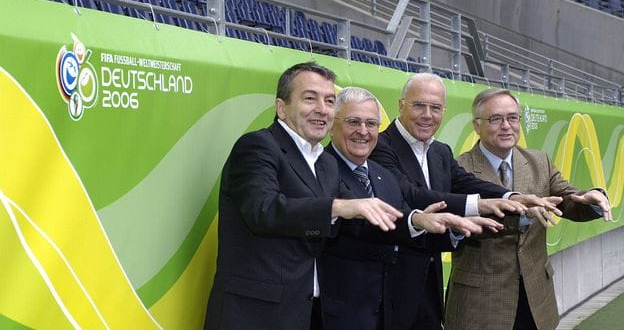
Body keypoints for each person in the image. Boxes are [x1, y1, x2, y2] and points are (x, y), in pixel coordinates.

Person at [204, 62, 405, 330]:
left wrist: (417, 221)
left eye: (329, 100)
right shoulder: (257, 146)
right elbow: (263, 211)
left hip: (307, 313)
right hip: (255, 315)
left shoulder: (325, 162)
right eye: (310, 98)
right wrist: (336, 208)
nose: (322, 109)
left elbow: (359, 217)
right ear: (281, 107)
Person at [369, 73, 554, 329]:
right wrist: (480, 205)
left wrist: (510, 197)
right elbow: (412, 194)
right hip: (391, 291)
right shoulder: (380, 146)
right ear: (401, 105)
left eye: (435, 108)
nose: (427, 115)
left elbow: (467, 183)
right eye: (419, 105)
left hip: (430, 290)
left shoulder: (439, 151)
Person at [320, 87, 501, 330]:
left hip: (392, 311)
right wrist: (417, 220)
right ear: (331, 125)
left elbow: (405, 229)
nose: (363, 131)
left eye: (371, 123)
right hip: (342, 315)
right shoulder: (320, 169)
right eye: (353, 122)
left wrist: (455, 228)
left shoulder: (382, 175)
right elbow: (365, 225)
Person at [444, 88, 611, 330]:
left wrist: (592, 198)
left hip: (535, 299)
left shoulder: (538, 161)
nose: (506, 126)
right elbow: (462, 226)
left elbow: (567, 199)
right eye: (496, 119)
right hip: (480, 304)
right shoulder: (459, 168)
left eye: (513, 118)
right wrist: (521, 214)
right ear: (476, 125)